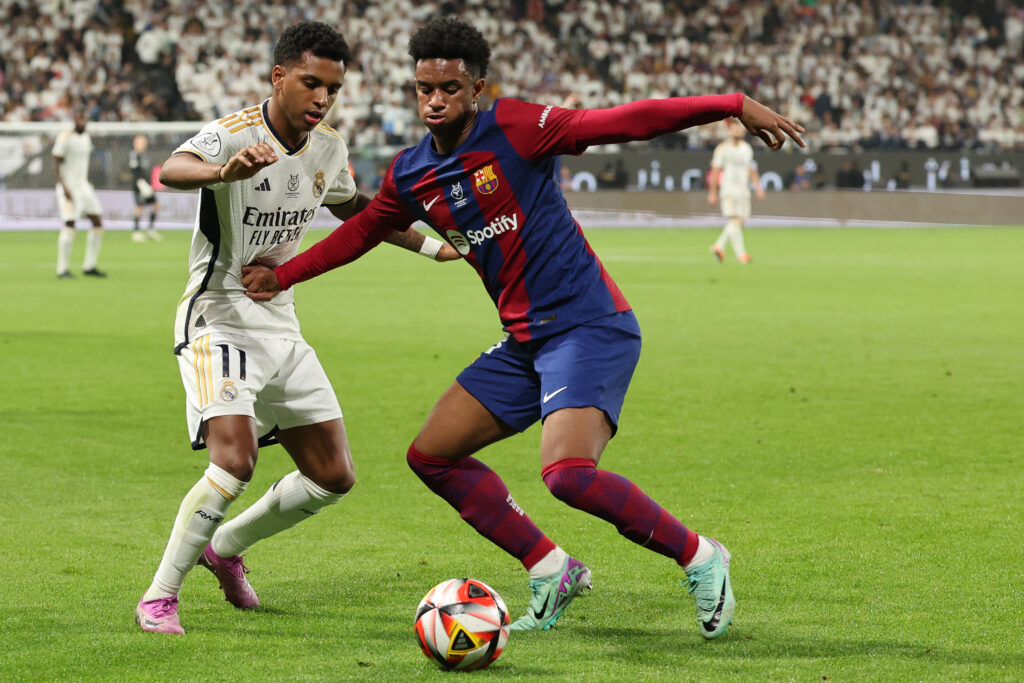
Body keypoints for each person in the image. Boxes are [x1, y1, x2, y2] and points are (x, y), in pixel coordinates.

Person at [242, 17, 804, 640]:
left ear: (476, 89)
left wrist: (731, 105)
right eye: (423, 88)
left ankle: (701, 555)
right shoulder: (412, 172)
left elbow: (625, 120)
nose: (434, 101)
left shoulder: (516, 128)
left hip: (591, 326)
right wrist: (284, 274)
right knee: (431, 455)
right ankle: (549, 565)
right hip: (527, 343)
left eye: (449, 89)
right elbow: (363, 230)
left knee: (566, 475)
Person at [135, 21, 457, 635]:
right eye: (311, 83)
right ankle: (159, 597)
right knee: (236, 460)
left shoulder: (328, 148)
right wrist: (222, 173)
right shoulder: (233, 134)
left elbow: (360, 217)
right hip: (218, 317)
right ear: (279, 77)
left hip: (279, 321)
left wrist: (433, 248)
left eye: (332, 89)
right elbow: (171, 170)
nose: (321, 98)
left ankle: (222, 548)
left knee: (333, 475)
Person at [54, 109, 106, 278]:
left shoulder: (86, 138)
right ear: (74, 119)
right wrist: (64, 187)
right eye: (78, 117)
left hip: (84, 186)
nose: (81, 120)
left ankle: (89, 266)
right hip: (69, 187)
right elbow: (56, 162)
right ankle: (62, 269)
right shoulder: (65, 137)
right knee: (70, 224)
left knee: (97, 221)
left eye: (83, 117)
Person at [708, 119, 764, 263]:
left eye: (739, 129)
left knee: (739, 222)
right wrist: (712, 192)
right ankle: (741, 255)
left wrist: (757, 186)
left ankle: (719, 246)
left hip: (743, 190)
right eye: (734, 128)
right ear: (730, 131)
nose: (737, 131)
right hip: (729, 189)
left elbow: (751, 169)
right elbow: (715, 171)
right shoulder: (722, 149)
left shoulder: (747, 149)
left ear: (744, 131)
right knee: (735, 219)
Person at [129, 134, 161, 242]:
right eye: (141, 142)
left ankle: (150, 230)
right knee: (139, 207)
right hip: (139, 185)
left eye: (144, 142)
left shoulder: (144, 155)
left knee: (156, 205)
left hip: (148, 185)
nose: (143, 144)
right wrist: (140, 183)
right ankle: (136, 232)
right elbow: (134, 171)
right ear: (135, 143)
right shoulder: (134, 155)